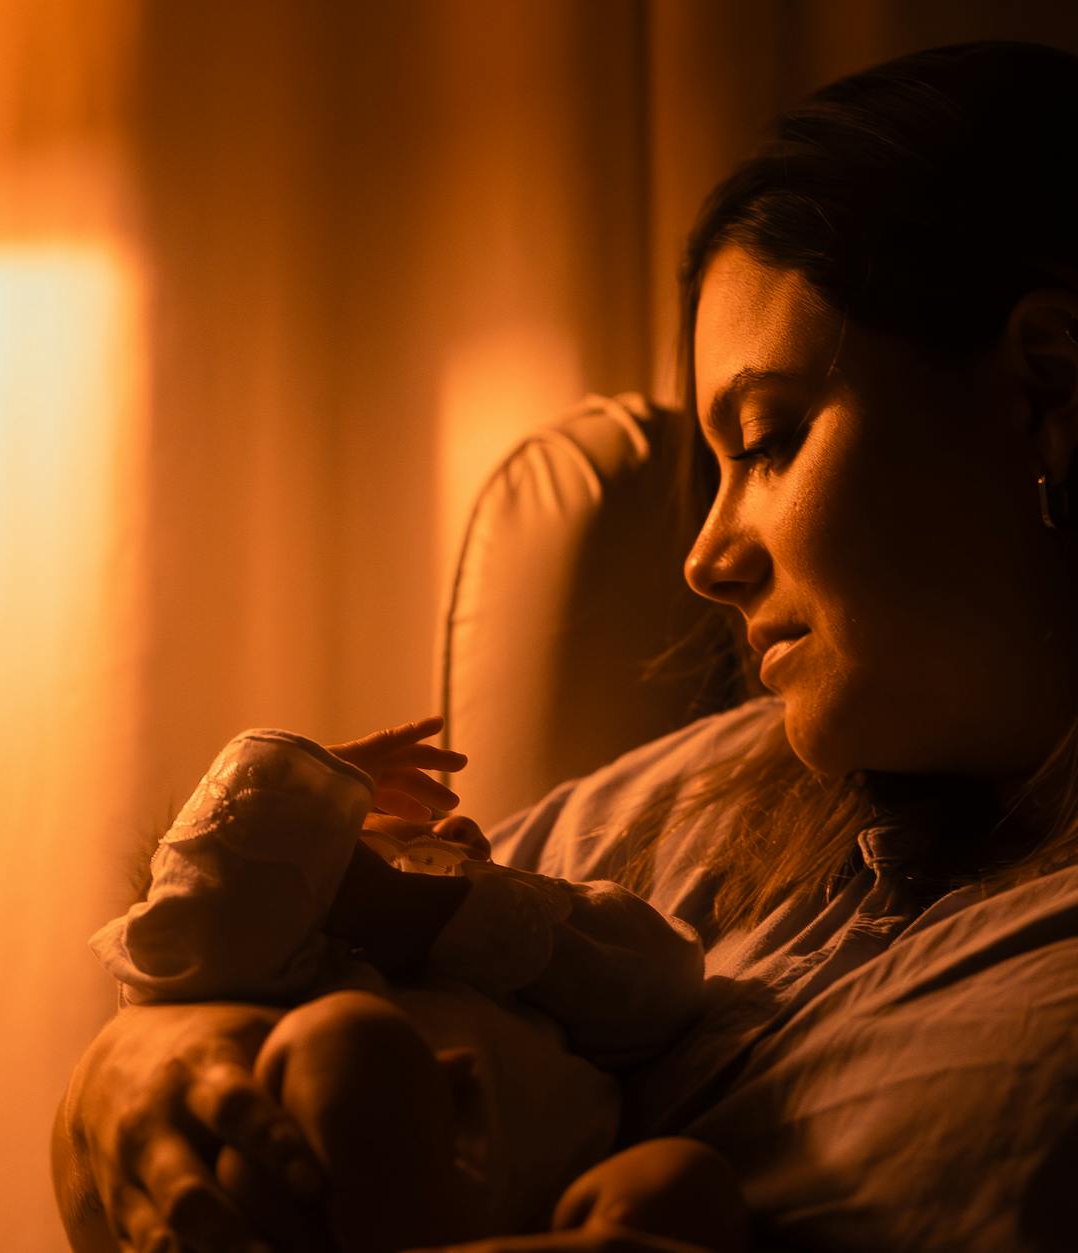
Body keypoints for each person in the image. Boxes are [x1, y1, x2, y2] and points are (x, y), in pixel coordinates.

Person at [54, 39, 1078, 1253]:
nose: (704, 557)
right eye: (712, 467)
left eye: (768, 437)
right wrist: (132, 1062)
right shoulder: (672, 805)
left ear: (1041, 385)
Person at [84, 714, 741, 1253]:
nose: (449, 827)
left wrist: (457, 906)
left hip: (553, 1209)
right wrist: (301, 787)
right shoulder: (282, 969)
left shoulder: (514, 950)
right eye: (363, 834)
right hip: (323, 1209)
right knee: (346, 1041)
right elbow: (210, 903)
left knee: (681, 1176)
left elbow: (662, 984)